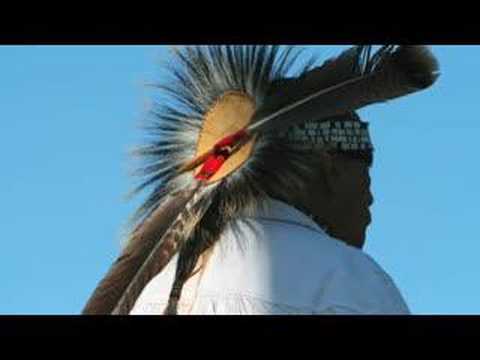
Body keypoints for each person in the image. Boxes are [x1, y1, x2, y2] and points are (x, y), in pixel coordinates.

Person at [82, 45, 439, 315]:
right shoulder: (348, 279)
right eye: (364, 164)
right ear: (326, 166)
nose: (371, 195)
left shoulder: (151, 290)